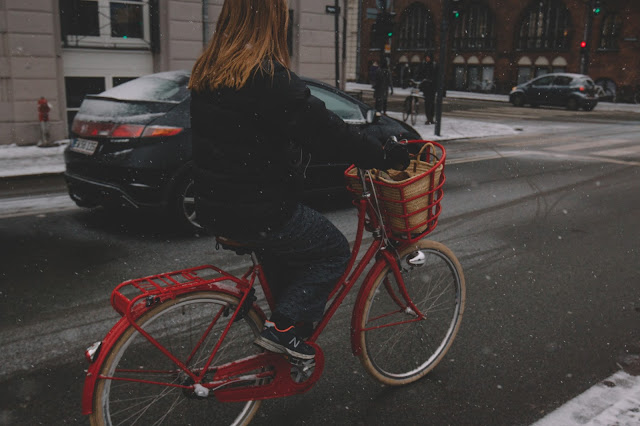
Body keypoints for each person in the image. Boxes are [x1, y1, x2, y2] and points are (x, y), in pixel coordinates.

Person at [188, 0, 409, 360]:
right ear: (272, 21)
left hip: (217, 205)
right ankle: (284, 329)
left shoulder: (209, 72)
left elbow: (245, 135)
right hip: (260, 210)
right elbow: (325, 131)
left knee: (290, 266)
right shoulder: (266, 77)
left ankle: (283, 344)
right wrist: (380, 155)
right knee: (332, 251)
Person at [416, 53, 436, 125]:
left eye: (428, 57)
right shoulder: (424, 65)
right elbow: (420, 74)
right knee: (428, 103)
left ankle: (431, 118)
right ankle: (429, 118)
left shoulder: (433, 65)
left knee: (431, 103)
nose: (427, 59)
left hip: (432, 87)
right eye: (426, 57)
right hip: (426, 87)